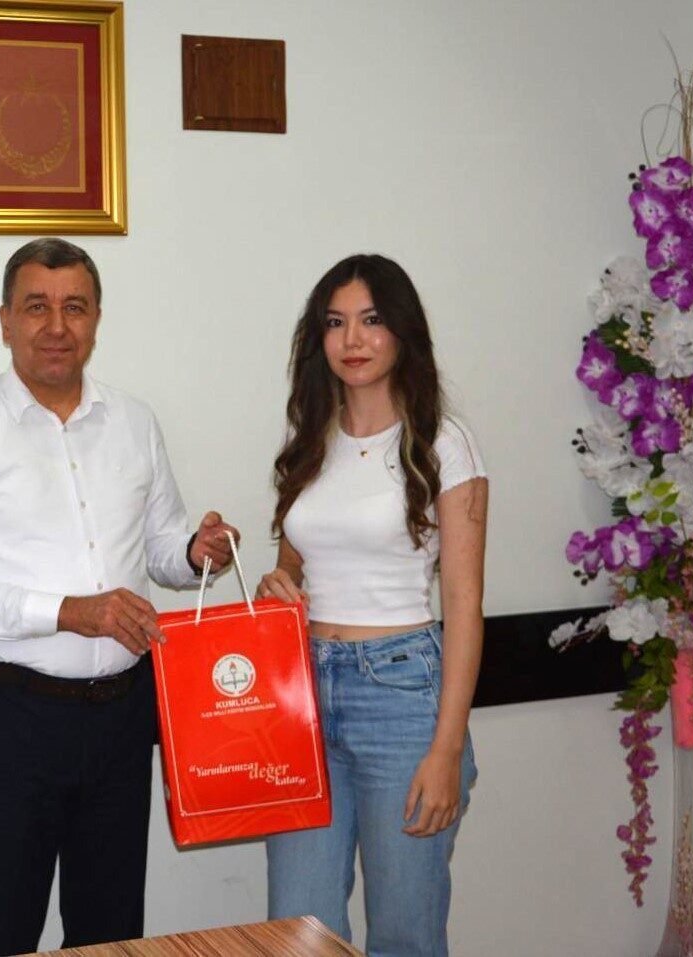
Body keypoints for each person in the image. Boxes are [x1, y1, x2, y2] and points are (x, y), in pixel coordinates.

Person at [0, 238, 239, 957]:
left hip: (122, 718)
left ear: (96, 320)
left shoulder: (134, 422)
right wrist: (68, 611)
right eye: (36, 307)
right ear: (5, 321)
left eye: (75, 308)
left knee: (112, 935)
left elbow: (161, 547)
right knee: (7, 934)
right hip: (12, 720)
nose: (56, 326)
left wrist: (195, 552)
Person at [256, 254, 488, 957]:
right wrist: (278, 581)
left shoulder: (443, 443)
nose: (352, 339)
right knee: (298, 930)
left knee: (404, 934)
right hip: (301, 693)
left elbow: (465, 605)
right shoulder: (310, 440)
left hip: (403, 693)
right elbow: (297, 556)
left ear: (401, 331)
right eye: (335, 323)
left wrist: (446, 748)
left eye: (370, 319)